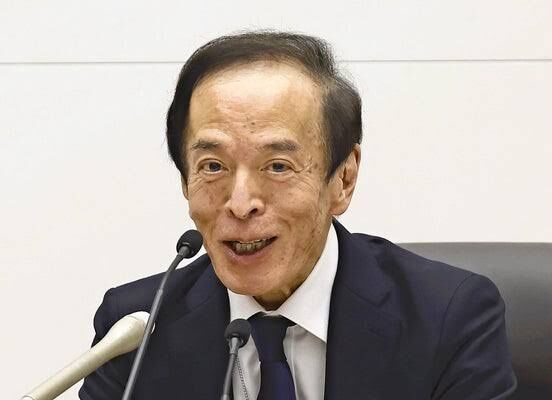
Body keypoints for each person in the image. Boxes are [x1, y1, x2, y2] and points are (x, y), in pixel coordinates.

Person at [79, 31, 517, 399]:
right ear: (185, 182)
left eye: (277, 166)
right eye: (213, 166)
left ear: (343, 179)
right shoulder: (136, 331)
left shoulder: (448, 319)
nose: (241, 203)